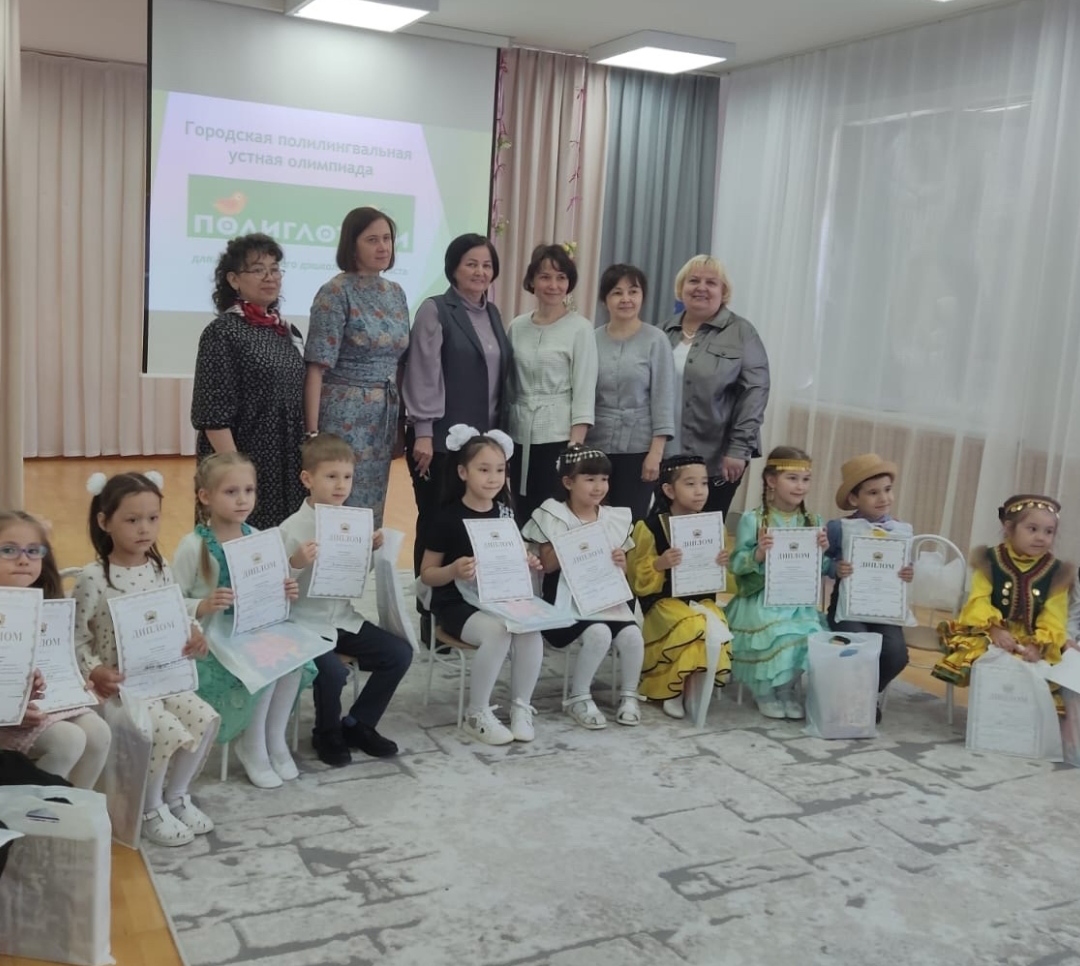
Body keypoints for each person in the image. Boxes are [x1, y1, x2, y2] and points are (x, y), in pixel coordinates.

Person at [73, 472, 217, 848]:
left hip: (163, 678)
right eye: (132, 519)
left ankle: (176, 796)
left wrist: (193, 631)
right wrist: (95, 670)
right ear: (104, 521)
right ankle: (149, 809)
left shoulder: (160, 568)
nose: (144, 528)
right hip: (121, 691)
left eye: (153, 518)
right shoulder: (93, 578)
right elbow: (75, 639)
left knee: (204, 719)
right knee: (163, 728)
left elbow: (175, 613)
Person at [172, 453, 307, 790]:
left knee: (294, 662)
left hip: (254, 628)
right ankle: (251, 743)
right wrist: (202, 605)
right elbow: (169, 602)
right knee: (266, 665)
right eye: (231, 492)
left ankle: (273, 737)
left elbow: (269, 585)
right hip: (215, 637)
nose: (243, 499)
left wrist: (286, 587)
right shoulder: (193, 546)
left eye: (249, 490)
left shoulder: (258, 536)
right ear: (206, 496)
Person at [280, 434, 413, 768]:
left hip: (342, 618)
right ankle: (326, 732)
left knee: (399, 654)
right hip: (304, 624)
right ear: (307, 479)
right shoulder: (291, 528)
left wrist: (371, 551)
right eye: (331, 476)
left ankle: (358, 723)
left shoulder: (353, 522)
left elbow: (353, 577)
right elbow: (274, 586)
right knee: (332, 672)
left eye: (347, 477)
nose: (341, 485)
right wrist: (296, 562)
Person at [420, 425, 545, 745]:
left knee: (530, 628)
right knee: (497, 632)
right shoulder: (446, 518)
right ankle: (476, 713)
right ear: (463, 472)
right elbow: (427, 574)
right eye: (484, 469)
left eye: (500, 470)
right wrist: (453, 570)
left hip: (498, 596)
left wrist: (528, 561)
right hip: (454, 602)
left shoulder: (505, 514)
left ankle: (521, 706)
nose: (493, 478)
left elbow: (515, 555)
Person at [403, 233, 513, 577]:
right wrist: (423, 432)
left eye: (487, 265)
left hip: (483, 443)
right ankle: (427, 597)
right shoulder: (435, 309)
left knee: (474, 523)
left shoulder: (492, 313)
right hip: (439, 442)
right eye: (471, 264)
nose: (480, 272)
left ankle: (469, 594)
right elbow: (422, 371)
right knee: (436, 521)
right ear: (453, 268)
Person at [522, 445, 645, 728]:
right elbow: (547, 565)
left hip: (604, 597)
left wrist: (620, 561)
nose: (598, 486)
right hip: (564, 601)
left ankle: (629, 694)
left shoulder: (613, 518)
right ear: (568, 482)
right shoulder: (553, 515)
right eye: (589, 479)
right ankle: (579, 697)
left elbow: (624, 570)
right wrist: (573, 543)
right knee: (599, 633)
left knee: (633, 636)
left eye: (604, 479)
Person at [305, 207, 410, 528]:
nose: (383, 247)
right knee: (339, 502)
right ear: (352, 245)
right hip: (343, 413)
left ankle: (363, 560)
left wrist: (400, 422)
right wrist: (313, 434)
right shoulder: (334, 292)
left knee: (370, 506)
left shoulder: (395, 292)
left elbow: (400, 361)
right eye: (372, 240)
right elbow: (316, 367)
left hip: (383, 414)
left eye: (387, 239)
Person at [191, 233, 306, 529]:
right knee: (240, 543)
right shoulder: (222, 332)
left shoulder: (287, 331)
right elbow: (212, 415)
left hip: (286, 462)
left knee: (284, 542)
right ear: (233, 280)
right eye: (258, 269)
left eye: (275, 269)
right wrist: (237, 472)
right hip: (242, 460)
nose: (270, 277)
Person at [0, 511, 111, 788]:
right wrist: (7, 709)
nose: (23, 559)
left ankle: (74, 810)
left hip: (40, 706)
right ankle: (33, 815)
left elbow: (58, 659)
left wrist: (73, 682)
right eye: (9, 550)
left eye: (33, 550)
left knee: (98, 732)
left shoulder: (48, 606)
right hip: (5, 717)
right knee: (67, 740)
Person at [934, 494, 1071, 704]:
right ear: (1009, 528)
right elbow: (979, 600)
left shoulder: (1057, 572)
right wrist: (994, 629)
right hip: (990, 632)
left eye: (1049, 531)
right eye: (1032, 529)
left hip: (1033, 639)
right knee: (989, 659)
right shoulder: (990, 560)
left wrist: (1039, 645)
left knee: (1038, 672)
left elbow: (1055, 615)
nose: (1041, 537)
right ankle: (988, 710)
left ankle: (1020, 714)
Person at [626, 455, 733, 720]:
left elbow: (721, 578)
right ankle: (670, 687)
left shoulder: (711, 526)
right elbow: (637, 578)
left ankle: (693, 686)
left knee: (715, 625)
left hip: (702, 600)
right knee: (690, 625)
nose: (700, 491)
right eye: (690, 484)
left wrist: (721, 563)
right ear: (669, 490)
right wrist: (660, 564)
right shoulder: (650, 527)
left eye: (704, 483)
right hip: (664, 603)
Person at [662, 255, 770, 516]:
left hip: (717, 457)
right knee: (663, 530)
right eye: (693, 281)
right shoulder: (663, 331)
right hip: (666, 456)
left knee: (703, 533)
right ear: (681, 288)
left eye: (711, 282)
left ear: (724, 292)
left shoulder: (741, 332)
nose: (701, 288)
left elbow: (754, 393)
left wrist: (739, 449)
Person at [725, 447, 827, 720]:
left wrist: (822, 552)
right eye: (792, 478)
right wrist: (758, 553)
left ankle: (785, 689)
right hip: (760, 598)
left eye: (805, 479)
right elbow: (736, 564)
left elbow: (820, 569)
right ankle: (765, 691)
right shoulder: (753, 519)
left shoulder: (812, 521)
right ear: (771, 480)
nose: (800, 486)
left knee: (809, 635)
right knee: (777, 632)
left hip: (797, 600)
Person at [506, 244, 598, 525]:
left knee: (552, 516)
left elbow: (584, 390)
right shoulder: (517, 326)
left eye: (561, 277)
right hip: (519, 434)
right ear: (532, 280)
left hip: (558, 437)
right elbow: (509, 385)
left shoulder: (580, 328)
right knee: (520, 511)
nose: (553, 285)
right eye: (545, 277)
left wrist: (574, 447)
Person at [823, 454, 914, 719]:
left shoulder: (899, 530)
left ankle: (863, 694)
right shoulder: (839, 528)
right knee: (858, 645)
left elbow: (906, 564)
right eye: (873, 493)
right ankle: (856, 699)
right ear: (854, 499)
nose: (883, 498)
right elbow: (820, 560)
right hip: (847, 607)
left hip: (884, 608)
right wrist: (835, 568)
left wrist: (908, 572)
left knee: (896, 653)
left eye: (887, 490)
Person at [588, 264, 675, 520]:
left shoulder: (656, 339)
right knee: (593, 517)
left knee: (630, 521)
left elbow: (664, 399)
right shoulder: (591, 339)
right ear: (604, 300)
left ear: (642, 296)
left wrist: (655, 453)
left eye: (633, 291)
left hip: (639, 448)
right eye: (617, 292)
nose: (626, 299)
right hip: (596, 445)